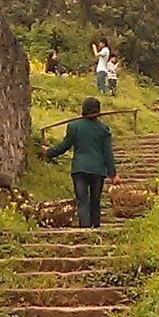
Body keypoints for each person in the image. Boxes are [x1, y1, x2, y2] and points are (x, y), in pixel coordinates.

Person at [42, 96, 117, 229]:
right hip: (98, 170)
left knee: (82, 200)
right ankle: (96, 227)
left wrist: (49, 152)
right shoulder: (103, 129)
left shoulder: (74, 126)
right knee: (95, 201)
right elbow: (107, 153)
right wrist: (113, 174)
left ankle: (85, 228)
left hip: (80, 169)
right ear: (98, 111)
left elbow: (65, 146)